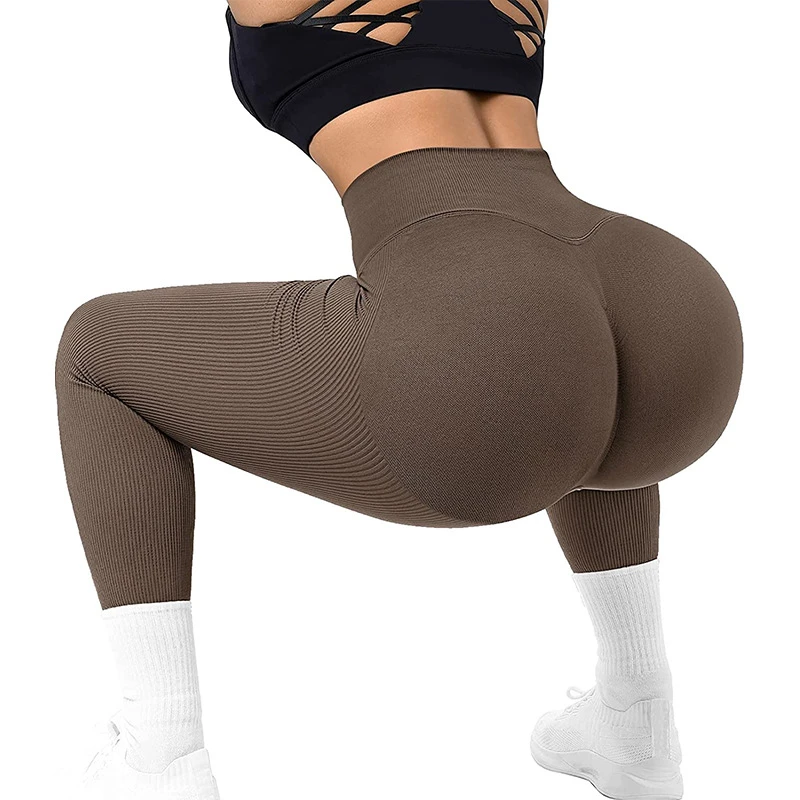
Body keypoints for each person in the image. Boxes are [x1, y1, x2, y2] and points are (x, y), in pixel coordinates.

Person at [55, 2, 743, 798]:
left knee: (97, 351)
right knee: (559, 373)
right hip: (659, 300)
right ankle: (637, 716)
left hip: (488, 323)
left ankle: (159, 757)